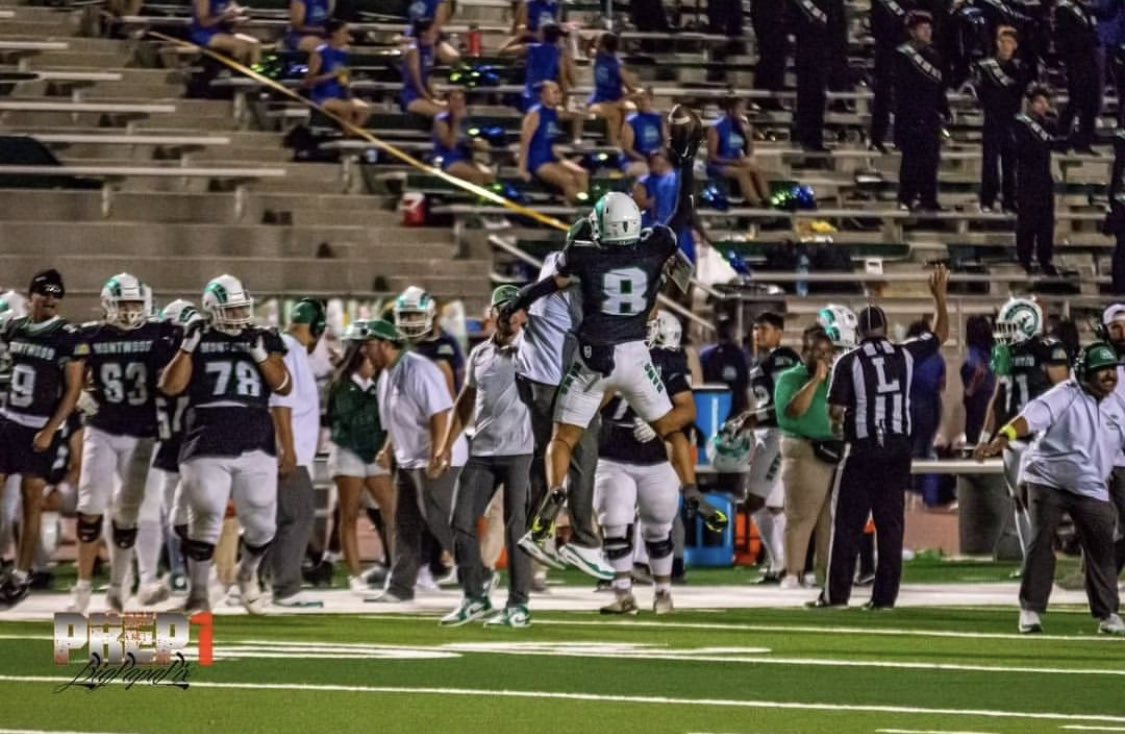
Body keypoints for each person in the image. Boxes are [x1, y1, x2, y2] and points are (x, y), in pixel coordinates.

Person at [503, 112, 728, 568]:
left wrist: (516, 302)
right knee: (672, 429)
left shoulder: (585, 255)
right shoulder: (653, 245)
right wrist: (687, 160)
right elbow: (683, 212)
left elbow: (551, 285)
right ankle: (690, 489)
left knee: (563, 440)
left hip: (594, 361)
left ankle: (557, 495)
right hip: (636, 356)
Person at [809, 265, 950, 610]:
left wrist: (840, 424)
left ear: (858, 332)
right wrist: (940, 299)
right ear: (886, 330)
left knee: (847, 525)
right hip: (898, 452)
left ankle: (835, 594)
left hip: (862, 451)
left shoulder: (848, 361)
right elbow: (939, 336)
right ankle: (884, 598)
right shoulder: (904, 354)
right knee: (890, 527)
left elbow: (836, 411)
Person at [158, 274, 292, 615]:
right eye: (230, 311)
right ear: (213, 310)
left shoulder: (263, 337)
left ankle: (247, 575)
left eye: (241, 309)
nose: (238, 317)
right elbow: (171, 387)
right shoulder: (197, 336)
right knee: (206, 513)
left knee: (263, 524)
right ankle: (198, 595)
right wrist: (187, 347)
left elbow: (284, 386)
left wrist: (261, 355)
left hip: (255, 436)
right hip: (207, 435)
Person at [974, 342, 1125, 636]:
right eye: (1100, 370)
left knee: (1102, 548)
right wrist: (1002, 439)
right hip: (1047, 479)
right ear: (1083, 373)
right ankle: (1030, 610)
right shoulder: (1064, 396)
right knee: (1041, 541)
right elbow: (1028, 418)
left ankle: (1107, 613)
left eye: (1111, 369)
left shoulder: (1118, 408)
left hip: (1090, 485)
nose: (1108, 376)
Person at [67, 274, 179, 614]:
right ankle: (86, 585)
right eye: (123, 303)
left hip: (145, 432)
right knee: (91, 505)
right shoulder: (90, 335)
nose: (130, 310)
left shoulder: (159, 334)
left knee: (145, 507)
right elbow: (66, 375)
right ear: (108, 305)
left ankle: (144, 580)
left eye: (135, 303)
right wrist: (80, 395)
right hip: (102, 429)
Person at [439, 286, 535, 627]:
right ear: (492, 313)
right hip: (483, 450)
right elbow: (465, 400)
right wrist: (445, 443)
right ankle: (474, 595)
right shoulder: (480, 354)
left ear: (525, 314)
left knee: (517, 529)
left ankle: (519, 603)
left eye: (515, 309)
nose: (510, 315)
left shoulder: (535, 351)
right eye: (503, 309)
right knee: (461, 521)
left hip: (522, 451)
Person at [513, 237, 606, 580]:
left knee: (547, 462)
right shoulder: (573, 271)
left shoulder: (555, 264)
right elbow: (589, 324)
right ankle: (581, 540)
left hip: (539, 375)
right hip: (559, 377)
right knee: (582, 458)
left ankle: (539, 537)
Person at [596, 311, 695, 615]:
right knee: (614, 520)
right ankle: (623, 591)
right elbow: (591, 402)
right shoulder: (611, 351)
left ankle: (663, 593)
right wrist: (613, 381)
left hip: (654, 456)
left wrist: (656, 423)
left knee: (658, 525)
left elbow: (687, 410)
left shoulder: (670, 361)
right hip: (613, 452)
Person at [0, 270, 87, 607]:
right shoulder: (14, 328)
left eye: (56, 295)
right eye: (45, 293)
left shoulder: (67, 336)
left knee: (31, 497)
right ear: (31, 295)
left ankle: (22, 573)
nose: (51, 299)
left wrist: (51, 429)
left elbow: (73, 389)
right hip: (8, 419)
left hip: (38, 425)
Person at [363, 319, 462, 604]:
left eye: (369, 345)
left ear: (385, 344)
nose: (365, 353)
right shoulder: (386, 376)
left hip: (435, 457)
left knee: (440, 519)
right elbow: (396, 422)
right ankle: (400, 587)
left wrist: (439, 452)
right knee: (404, 522)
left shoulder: (419, 369)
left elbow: (440, 413)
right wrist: (387, 450)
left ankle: (476, 573)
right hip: (409, 459)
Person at [983, 296, 1070, 562]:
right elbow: (997, 396)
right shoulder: (1004, 351)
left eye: (1009, 325)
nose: (1003, 331)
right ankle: (1030, 559)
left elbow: (1065, 394)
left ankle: (1046, 553)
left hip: (1039, 436)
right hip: (1012, 436)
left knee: (1032, 494)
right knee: (1018, 499)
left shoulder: (1049, 349)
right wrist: (985, 436)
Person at [135, 299, 198, 601]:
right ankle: (176, 572)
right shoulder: (181, 361)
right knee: (175, 514)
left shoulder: (155, 356)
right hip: (174, 442)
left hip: (168, 441)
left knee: (171, 513)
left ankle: (176, 572)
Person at [327, 321, 394, 595]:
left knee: (392, 513)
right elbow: (346, 419)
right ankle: (354, 574)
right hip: (350, 452)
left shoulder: (384, 377)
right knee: (350, 514)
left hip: (376, 452)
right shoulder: (342, 381)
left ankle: (397, 567)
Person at [268, 299, 326, 608]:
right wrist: (287, 450)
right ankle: (286, 587)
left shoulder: (288, 348)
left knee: (276, 520)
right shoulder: (290, 350)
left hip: (290, 451)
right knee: (298, 517)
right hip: (291, 453)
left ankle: (256, 581)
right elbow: (281, 402)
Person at [738, 312, 801, 584]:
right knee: (768, 504)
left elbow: (788, 402)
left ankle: (784, 564)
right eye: (754, 328)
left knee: (759, 502)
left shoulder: (783, 359)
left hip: (780, 433)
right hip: (766, 433)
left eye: (763, 328)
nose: (757, 333)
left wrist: (758, 418)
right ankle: (781, 563)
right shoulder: (758, 362)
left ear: (779, 332)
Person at [774, 325, 837, 587]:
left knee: (826, 519)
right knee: (800, 516)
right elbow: (794, 411)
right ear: (804, 352)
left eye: (827, 353)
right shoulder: (791, 378)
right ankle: (793, 572)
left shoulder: (835, 378)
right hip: (803, 450)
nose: (822, 358)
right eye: (816, 352)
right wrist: (816, 381)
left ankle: (826, 574)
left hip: (830, 450)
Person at [894, 11, 948, 212]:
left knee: (931, 160)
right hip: (910, 114)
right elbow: (900, 88)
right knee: (910, 160)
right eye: (923, 28)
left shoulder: (935, 55)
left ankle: (929, 199)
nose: (927, 32)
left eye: (929, 28)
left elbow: (939, 87)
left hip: (930, 114)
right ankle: (905, 198)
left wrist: (943, 109)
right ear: (912, 31)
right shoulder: (903, 54)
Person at [973, 27, 1028, 212]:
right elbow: (981, 92)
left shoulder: (1019, 68)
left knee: (1010, 164)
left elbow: (1020, 91)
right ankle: (987, 200)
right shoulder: (985, 66)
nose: (1006, 46)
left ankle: (1009, 202)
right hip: (993, 119)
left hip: (1012, 121)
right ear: (997, 43)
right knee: (989, 163)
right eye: (1003, 41)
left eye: (1010, 42)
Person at [1012, 86, 1064, 275]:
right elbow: (1020, 148)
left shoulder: (1048, 124)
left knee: (1046, 222)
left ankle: (1045, 259)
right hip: (1027, 177)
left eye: (1045, 103)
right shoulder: (1020, 123)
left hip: (1044, 178)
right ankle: (1024, 258)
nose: (1043, 106)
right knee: (1027, 221)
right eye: (1039, 102)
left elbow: (1059, 138)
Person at [518, 81, 589, 205]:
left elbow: (578, 115)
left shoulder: (555, 112)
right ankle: (574, 212)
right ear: (543, 95)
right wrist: (522, 169)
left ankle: (581, 204)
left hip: (551, 157)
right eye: (554, 92)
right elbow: (525, 142)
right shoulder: (535, 114)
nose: (558, 95)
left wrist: (577, 110)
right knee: (568, 179)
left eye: (559, 92)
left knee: (582, 173)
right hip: (538, 160)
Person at [633, 148, 697, 265]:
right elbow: (638, 202)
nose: (659, 166)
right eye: (655, 163)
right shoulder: (644, 182)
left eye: (661, 163)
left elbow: (688, 207)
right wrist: (647, 203)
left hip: (678, 229)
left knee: (684, 263)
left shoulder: (677, 179)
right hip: (654, 227)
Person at [906, 319, 946, 507]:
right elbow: (942, 384)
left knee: (907, 450)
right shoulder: (937, 357)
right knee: (924, 450)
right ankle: (922, 496)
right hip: (930, 406)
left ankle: (909, 493)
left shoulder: (906, 355)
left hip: (908, 405)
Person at [1098, 303, 1125, 576]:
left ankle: (1104, 574)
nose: (1123, 333)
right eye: (1116, 328)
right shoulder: (1092, 365)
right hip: (1102, 456)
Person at [305, 20, 371, 129]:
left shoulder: (343, 54)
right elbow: (309, 81)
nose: (348, 37)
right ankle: (350, 135)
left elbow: (343, 80)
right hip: (323, 96)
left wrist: (349, 93)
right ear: (334, 33)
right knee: (345, 108)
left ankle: (350, 135)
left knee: (364, 108)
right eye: (345, 33)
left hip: (340, 94)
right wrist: (331, 75)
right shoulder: (319, 53)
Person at [706, 96, 770, 207]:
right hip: (719, 164)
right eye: (740, 109)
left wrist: (749, 136)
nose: (743, 112)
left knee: (758, 170)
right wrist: (734, 162)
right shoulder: (717, 128)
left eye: (744, 109)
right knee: (742, 173)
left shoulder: (741, 127)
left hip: (737, 162)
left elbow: (749, 153)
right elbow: (712, 157)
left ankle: (768, 202)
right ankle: (756, 205)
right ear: (731, 110)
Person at [1055, 0, 1100, 153]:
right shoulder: (1064, 9)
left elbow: (1093, 32)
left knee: (1091, 103)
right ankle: (1061, 138)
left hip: (1090, 61)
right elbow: (1066, 36)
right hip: (1075, 62)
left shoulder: (1086, 9)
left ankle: (1084, 141)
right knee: (1076, 100)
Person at [499, 22, 574, 113]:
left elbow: (502, 50)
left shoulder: (531, 48)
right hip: (548, 96)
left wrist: (519, 36)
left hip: (531, 95)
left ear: (543, 34)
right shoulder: (559, 53)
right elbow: (563, 77)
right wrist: (564, 101)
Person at [870, 0, 913, 152]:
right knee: (882, 95)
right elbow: (875, 27)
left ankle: (902, 139)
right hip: (885, 52)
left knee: (905, 96)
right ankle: (877, 138)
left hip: (906, 53)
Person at [433, 88, 496, 186]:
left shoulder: (466, 119)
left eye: (461, 99)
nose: (458, 103)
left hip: (466, 157)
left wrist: (477, 143)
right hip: (448, 159)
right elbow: (450, 145)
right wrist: (456, 121)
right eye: (454, 99)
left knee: (488, 175)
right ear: (448, 102)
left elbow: (468, 139)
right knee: (475, 175)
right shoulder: (441, 120)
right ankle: (478, 200)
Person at [791, 0, 831, 152]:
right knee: (806, 97)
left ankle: (816, 139)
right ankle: (804, 137)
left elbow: (833, 26)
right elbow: (792, 22)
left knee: (818, 99)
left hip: (821, 55)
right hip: (805, 54)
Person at [586, 32, 638, 148]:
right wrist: (593, 38)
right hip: (598, 100)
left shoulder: (617, 66)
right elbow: (588, 50)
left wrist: (618, 103)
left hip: (615, 100)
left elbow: (632, 90)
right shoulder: (597, 56)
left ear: (603, 46)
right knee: (614, 114)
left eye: (598, 43)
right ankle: (615, 146)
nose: (596, 45)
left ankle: (626, 144)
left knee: (631, 109)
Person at [699, 316, 752, 419]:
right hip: (732, 405)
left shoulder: (706, 354)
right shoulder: (740, 354)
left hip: (713, 404)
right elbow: (745, 383)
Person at [190, 0, 260, 66]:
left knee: (255, 43)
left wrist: (238, 17)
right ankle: (234, 71)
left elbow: (233, 12)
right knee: (240, 45)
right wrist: (224, 16)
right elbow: (203, 22)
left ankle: (250, 71)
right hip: (203, 33)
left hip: (222, 31)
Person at [960, 314, 995, 445]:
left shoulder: (974, 350)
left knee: (974, 436)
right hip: (991, 394)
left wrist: (970, 389)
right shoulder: (992, 349)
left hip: (978, 397)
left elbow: (980, 370)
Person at [401, 18, 445, 118]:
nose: (436, 35)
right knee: (444, 114)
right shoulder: (414, 49)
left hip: (424, 93)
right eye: (433, 32)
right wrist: (429, 98)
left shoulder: (429, 49)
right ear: (423, 33)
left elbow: (426, 76)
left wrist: (434, 93)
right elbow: (416, 80)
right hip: (412, 96)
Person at [621, 88, 667, 175]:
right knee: (645, 171)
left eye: (644, 99)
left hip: (657, 158)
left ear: (651, 100)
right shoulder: (631, 121)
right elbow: (627, 149)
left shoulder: (659, 118)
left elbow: (666, 141)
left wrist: (661, 157)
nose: (642, 102)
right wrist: (646, 159)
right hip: (636, 160)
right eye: (638, 100)